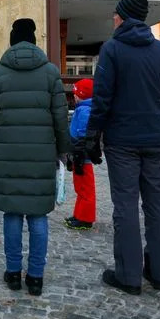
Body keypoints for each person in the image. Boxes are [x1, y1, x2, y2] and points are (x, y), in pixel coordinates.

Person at [81, 0, 160, 295]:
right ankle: (159, 273)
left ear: (123, 17)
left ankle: (128, 275)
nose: (113, 18)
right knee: (157, 203)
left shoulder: (112, 49)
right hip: (156, 139)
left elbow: (102, 98)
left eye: (115, 14)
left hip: (122, 140)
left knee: (125, 205)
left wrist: (92, 136)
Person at [0, 18, 70, 296]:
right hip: (42, 154)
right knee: (38, 214)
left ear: (11, 41)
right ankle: (35, 277)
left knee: (12, 213)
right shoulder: (50, 73)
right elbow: (60, 117)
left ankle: (12, 273)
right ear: (33, 41)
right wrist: (63, 150)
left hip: (7, 153)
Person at [65, 78, 96, 230]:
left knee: (85, 187)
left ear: (82, 95)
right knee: (80, 186)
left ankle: (85, 218)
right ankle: (79, 214)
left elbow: (83, 133)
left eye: (76, 94)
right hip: (78, 153)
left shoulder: (84, 110)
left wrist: (78, 153)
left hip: (82, 155)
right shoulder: (83, 109)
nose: (74, 96)